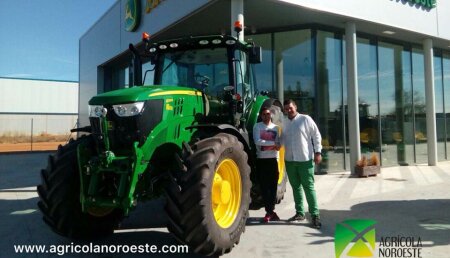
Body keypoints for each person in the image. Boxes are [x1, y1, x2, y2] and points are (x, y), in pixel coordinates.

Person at [282, 99, 322, 229]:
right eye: (286, 108)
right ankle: (300, 213)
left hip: (305, 159)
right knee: (296, 187)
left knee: (308, 187)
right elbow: (282, 138)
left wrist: (318, 152)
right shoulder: (284, 122)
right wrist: (276, 143)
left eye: (290, 108)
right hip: (290, 160)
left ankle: (315, 215)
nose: (288, 110)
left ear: (295, 107)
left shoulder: (305, 119)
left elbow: (316, 135)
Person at [253, 107, 281, 223]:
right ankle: (270, 212)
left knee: (273, 186)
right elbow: (257, 141)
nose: (266, 116)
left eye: (268, 114)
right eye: (264, 114)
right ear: (261, 116)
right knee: (264, 187)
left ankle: (270, 211)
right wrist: (273, 143)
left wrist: (275, 145)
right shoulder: (257, 126)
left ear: (271, 115)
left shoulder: (276, 128)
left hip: (273, 159)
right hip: (262, 160)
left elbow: (279, 143)